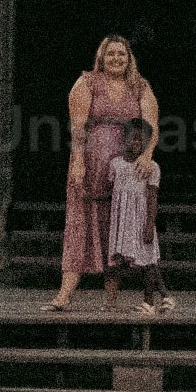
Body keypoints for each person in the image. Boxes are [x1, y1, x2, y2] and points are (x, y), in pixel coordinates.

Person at [54, 35, 164, 311]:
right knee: (80, 224)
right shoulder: (88, 82)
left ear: (129, 58)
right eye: (111, 54)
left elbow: (152, 126)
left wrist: (147, 155)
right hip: (92, 165)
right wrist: (78, 161)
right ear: (101, 57)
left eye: (121, 54)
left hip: (126, 170)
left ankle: (111, 299)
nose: (116, 58)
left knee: (118, 225)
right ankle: (65, 294)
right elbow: (78, 127)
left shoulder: (139, 86)